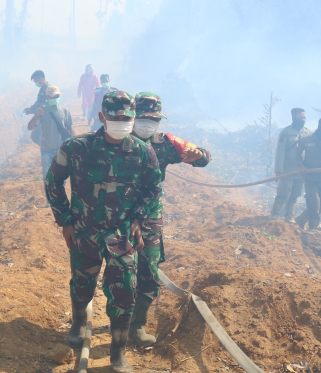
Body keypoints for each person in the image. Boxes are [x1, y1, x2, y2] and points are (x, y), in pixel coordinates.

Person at [45, 91, 162, 373]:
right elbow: (53, 182)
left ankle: (118, 355)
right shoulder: (76, 147)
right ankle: (77, 323)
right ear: (102, 117)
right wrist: (66, 221)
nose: (122, 122)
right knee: (82, 284)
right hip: (84, 233)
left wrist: (138, 217)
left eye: (127, 118)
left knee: (123, 293)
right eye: (116, 117)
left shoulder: (143, 151)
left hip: (121, 237)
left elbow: (153, 188)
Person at [129, 92, 211, 347]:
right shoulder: (116, 140)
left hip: (150, 217)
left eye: (154, 119)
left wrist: (198, 154)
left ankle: (136, 326)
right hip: (117, 215)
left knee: (149, 272)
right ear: (132, 116)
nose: (148, 123)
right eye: (143, 118)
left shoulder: (165, 143)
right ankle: (118, 318)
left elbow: (202, 158)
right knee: (117, 273)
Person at [294, 116, 321, 230]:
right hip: (309, 177)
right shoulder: (306, 139)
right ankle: (312, 231)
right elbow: (297, 154)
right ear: (320, 127)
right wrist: (301, 165)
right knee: (314, 205)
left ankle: (301, 220)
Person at [271, 108, 312, 223]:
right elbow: (280, 151)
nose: (303, 120)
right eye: (300, 118)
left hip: (302, 170)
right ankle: (274, 214)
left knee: (295, 195)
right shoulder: (286, 132)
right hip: (287, 169)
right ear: (294, 118)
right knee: (283, 193)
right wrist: (279, 170)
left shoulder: (308, 133)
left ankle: (288, 217)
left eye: (304, 117)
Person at [27, 85, 74, 182]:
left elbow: (70, 128)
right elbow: (30, 127)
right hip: (46, 151)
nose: (55, 99)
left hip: (61, 150)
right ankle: (49, 197)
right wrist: (37, 114)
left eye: (56, 96)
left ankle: (59, 196)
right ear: (47, 98)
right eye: (52, 97)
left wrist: (74, 144)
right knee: (47, 178)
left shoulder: (65, 111)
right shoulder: (42, 112)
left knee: (61, 177)